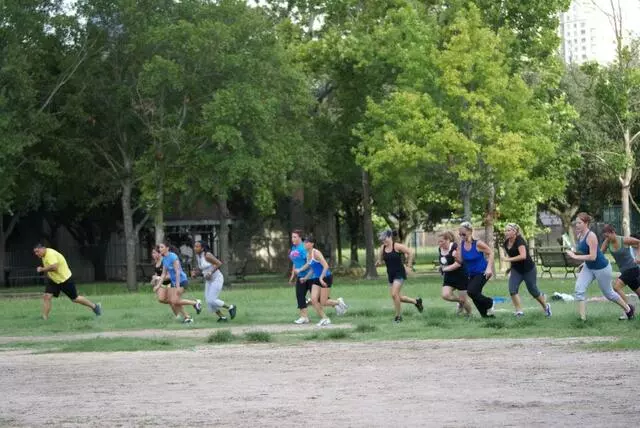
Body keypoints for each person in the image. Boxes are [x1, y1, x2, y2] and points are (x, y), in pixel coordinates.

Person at [565, 213, 634, 321]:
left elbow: (593, 256)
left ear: (586, 223)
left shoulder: (591, 236)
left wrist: (575, 256)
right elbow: (587, 253)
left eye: (579, 223)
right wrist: (584, 263)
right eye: (576, 223)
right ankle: (582, 319)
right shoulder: (579, 235)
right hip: (589, 267)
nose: (577, 225)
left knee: (609, 294)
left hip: (602, 268)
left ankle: (628, 309)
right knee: (579, 289)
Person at [33, 243, 102, 320]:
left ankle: (95, 307)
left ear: (43, 248)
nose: (36, 254)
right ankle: (44, 318)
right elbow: (50, 266)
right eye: (35, 252)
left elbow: (55, 267)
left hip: (65, 280)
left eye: (37, 251)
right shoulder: (44, 255)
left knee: (75, 298)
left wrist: (42, 269)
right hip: (54, 280)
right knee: (47, 297)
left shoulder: (50, 254)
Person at [503, 223, 552, 317]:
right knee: (512, 289)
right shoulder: (506, 243)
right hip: (516, 270)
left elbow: (523, 256)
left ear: (515, 232)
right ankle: (519, 311)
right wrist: (509, 268)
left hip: (528, 269)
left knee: (533, 291)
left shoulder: (520, 241)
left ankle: (546, 307)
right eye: (505, 230)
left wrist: (508, 259)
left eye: (508, 230)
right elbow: (512, 255)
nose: (506, 232)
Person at [298, 236, 348, 326]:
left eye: (306, 242)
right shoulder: (308, 254)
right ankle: (325, 318)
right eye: (304, 242)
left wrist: (321, 278)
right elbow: (312, 269)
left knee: (323, 302)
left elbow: (326, 266)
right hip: (317, 278)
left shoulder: (316, 253)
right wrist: (305, 278)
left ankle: (338, 302)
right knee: (313, 300)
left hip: (326, 277)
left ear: (312, 244)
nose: (304, 244)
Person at [376, 230, 422, 323]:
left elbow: (410, 253)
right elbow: (380, 261)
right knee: (398, 297)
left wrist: (409, 266)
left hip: (399, 273)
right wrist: (377, 264)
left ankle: (398, 317)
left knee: (394, 294)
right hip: (390, 274)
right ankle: (416, 302)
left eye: (385, 239)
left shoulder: (397, 246)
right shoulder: (382, 248)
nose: (383, 241)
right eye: (382, 240)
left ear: (390, 237)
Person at [600, 224, 640, 320]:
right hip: (624, 271)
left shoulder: (623, 240)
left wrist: (638, 256)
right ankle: (629, 310)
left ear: (613, 232)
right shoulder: (607, 242)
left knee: (616, 287)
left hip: (632, 268)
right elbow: (600, 254)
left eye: (608, 236)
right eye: (605, 236)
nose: (607, 238)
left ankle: (628, 309)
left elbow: (639, 242)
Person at [457, 222, 495, 318]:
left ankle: (489, 302)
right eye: (460, 234)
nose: (461, 236)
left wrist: (489, 268)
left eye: (463, 234)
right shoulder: (461, 244)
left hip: (483, 272)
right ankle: (485, 316)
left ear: (470, 231)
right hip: (471, 274)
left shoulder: (477, 243)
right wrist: (455, 255)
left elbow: (491, 253)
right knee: (475, 294)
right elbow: (460, 261)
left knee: (471, 292)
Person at [192, 240, 236, 322]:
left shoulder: (207, 255)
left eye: (197, 247)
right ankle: (222, 317)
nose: (195, 248)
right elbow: (203, 269)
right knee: (208, 301)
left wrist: (211, 272)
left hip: (217, 279)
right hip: (209, 281)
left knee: (212, 300)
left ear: (202, 248)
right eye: (195, 246)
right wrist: (195, 273)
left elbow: (219, 263)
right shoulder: (198, 256)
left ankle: (230, 307)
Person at [158, 242, 202, 324]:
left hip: (181, 281)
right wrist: (158, 285)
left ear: (167, 248)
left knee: (175, 301)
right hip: (174, 283)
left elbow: (177, 272)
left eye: (162, 247)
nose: (160, 249)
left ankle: (195, 304)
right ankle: (189, 315)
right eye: (159, 247)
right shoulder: (164, 259)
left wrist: (177, 286)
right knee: (169, 300)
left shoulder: (173, 256)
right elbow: (163, 274)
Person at [437, 231, 472, 316]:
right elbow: (444, 262)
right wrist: (441, 267)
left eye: (441, 241)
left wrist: (444, 269)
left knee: (464, 300)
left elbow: (458, 264)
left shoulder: (455, 247)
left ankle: (469, 315)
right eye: (438, 241)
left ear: (448, 240)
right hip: (449, 276)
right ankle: (460, 302)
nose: (439, 243)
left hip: (461, 276)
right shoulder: (440, 249)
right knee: (445, 295)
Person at [289, 229, 311, 324]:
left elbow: (309, 262)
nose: (292, 239)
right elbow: (295, 262)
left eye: (295, 237)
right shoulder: (294, 248)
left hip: (310, 276)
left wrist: (301, 270)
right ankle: (304, 317)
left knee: (319, 299)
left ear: (300, 238)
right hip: (300, 276)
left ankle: (337, 303)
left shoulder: (303, 248)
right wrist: (293, 274)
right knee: (300, 296)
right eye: (292, 237)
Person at [150, 247, 180, 317]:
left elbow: (170, 276)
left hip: (170, 283)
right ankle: (179, 306)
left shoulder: (164, 261)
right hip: (163, 284)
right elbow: (157, 274)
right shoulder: (155, 262)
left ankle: (179, 315)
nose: (152, 254)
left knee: (172, 301)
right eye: (152, 253)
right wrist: (153, 281)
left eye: (154, 253)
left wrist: (158, 278)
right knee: (161, 299)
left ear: (159, 253)